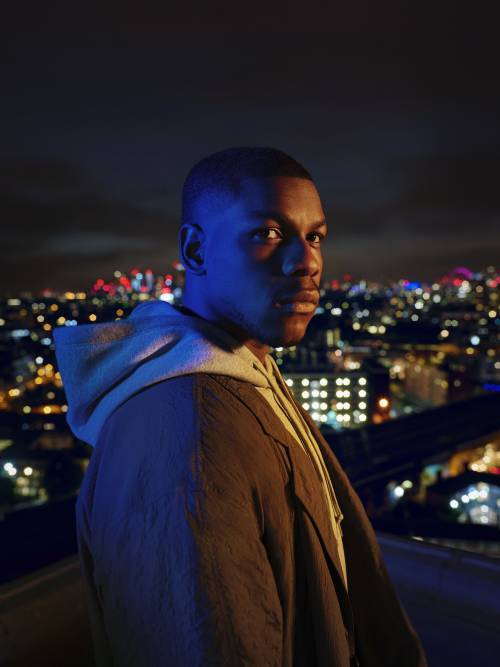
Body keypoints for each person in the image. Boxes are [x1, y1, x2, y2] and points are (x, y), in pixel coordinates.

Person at [54, 147, 428, 666]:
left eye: (314, 236)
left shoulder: (242, 375)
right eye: (267, 233)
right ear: (196, 251)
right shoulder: (190, 434)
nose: (308, 261)